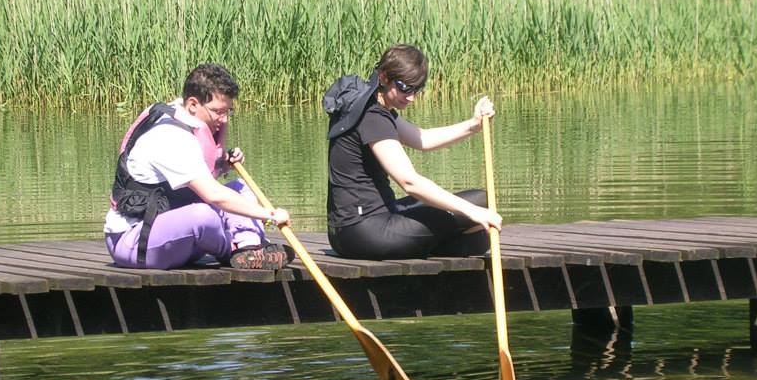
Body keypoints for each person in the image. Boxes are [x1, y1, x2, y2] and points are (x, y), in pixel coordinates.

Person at [323, 44, 502, 260]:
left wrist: (474, 125)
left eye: (416, 89)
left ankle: (442, 243)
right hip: (363, 232)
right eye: (404, 88)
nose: (410, 97)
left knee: (484, 200)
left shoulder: (371, 105)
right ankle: (447, 243)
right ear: (383, 76)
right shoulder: (372, 116)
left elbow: (423, 139)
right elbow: (409, 183)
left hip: (355, 229)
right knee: (476, 221)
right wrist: (471, 212)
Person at [104, 64, 291, 270]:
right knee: (203, 216)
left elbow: (200, 175)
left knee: (240, 187)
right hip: (135, 243)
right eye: (218, 112)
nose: (224, 119)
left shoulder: (184, 112)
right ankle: (233, 249)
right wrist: (269, 215)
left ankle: (250, 247)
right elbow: (213, 194)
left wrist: (221, 163)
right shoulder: (170, 136)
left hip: (174, 234)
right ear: (193, 104)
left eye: (228, 111)